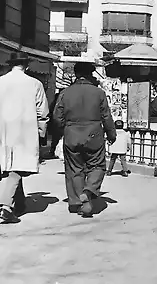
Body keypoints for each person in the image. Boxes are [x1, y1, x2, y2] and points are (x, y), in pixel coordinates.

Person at [53, 62, 117, 217]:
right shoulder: (98, 93)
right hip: (94, 134)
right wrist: (111, 134)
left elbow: (57, 117)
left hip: (72, 134)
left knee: (74, 169)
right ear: (91, 74)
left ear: (75, 74)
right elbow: (106, 116)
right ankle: (89, 191)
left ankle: (75, 202)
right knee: (97, 166)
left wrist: (63, 129)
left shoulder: (65, 93)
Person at [0, 54, 49, 224]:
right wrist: (42, 133)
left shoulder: (0, 82)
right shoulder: (35, 84)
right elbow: (42, 112)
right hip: (24, 130)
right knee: (18, 167)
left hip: (3, 129)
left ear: (11, 65)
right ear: (26, 66)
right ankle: (5, 206)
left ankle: (19, 204)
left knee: (8, 166)